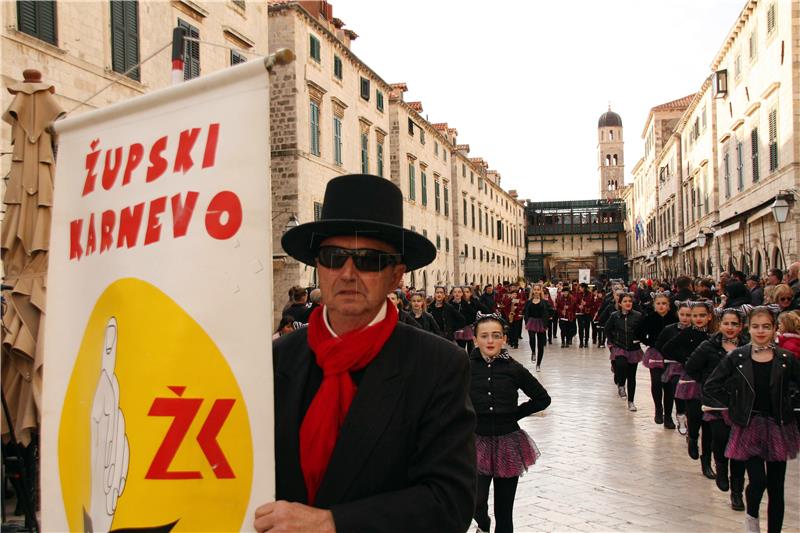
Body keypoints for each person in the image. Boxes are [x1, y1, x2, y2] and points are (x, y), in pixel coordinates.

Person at [259, 174, 476, 532]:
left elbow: (449, 502)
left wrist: (333, 523)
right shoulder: (277, 359)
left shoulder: (438, 366)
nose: (347, 273)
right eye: (333, 257)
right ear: (319, 269)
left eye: (368, 260)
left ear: (395, 277)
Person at [704, 307, 800, 533]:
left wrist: (791, 401)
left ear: (775, 328)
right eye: (756, 326)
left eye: (766, 326)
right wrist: (734, 404)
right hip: (749, 426)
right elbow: (712, 385)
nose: (761, 331)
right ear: (749, 328)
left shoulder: (786, 358)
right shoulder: (738, 357)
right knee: (758, 481)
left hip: (778, 426)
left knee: (777, 487)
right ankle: (751, 515)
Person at [469, 313, 551, 533]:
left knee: (504, 511)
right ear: (475, 339)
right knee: (476, 501)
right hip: (476, 443)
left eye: (496, 336)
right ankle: (482, 525)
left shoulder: (514, 368)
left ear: (504, 339)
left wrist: (515, 414)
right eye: (484, 336)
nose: (490, 341)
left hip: (507, 443)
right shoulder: (465, 367)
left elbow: (543, 398)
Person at [685, 308, 748, 511]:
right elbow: (691, 366)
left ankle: (737, 491)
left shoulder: (748, 346)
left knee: (739, 450)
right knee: (719, 439)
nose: (730, 328)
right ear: (720, 324)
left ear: (741, 326)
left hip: (741, 405)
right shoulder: (708, 346)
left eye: (735, 324)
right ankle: (720, 466)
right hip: (717, 404)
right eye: (727, 323)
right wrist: (706, 383)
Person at [663, 301, 715, 478]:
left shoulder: (714, 335)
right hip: (692, 380)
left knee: (708, 424)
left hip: (710, 382)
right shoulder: (687, 333)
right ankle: (692, 437)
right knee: (695, 416)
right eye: (695, 316)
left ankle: (706, 462)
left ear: (709, 316)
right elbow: (667, 348)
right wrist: (686, 359)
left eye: (702, 315)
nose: (698, 319)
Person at [655, 300, 693, 431]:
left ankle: (683, 415)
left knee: (688, 394)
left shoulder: (695, 331)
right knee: (670, 391)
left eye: (688, 315)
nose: (685, 318)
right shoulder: (669, 329)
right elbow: (660, 345)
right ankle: (668, 416)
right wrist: (669, 355)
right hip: (671, 366)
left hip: (689, 367)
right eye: (682, 314)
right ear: (678, 314)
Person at [640, 292, 677, 425]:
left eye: (664, 304)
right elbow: (640, 332)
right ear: (654, 305)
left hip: (670, 354)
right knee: (656, 382)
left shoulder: (674, 319)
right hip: (655, 353)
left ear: (669, 306)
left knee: (668, 385)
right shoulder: (650, 318)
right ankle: (658, 409)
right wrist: (649, 342)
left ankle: (668, 415)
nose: (661, 306)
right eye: (659, 304)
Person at [604, 292, 644, 411]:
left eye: (630, 301)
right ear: (620, 303)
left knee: (632, 376)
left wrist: (640, 338)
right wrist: (611, 342)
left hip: (633, 348)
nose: (628, 303)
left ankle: (631, 401)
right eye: (625, 301)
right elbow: (607, 329)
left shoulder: (638, 315)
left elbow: (642, 330)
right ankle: (621, 384)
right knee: (621, 365)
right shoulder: (614, 316)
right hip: (619, 346)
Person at [523, 284, 552, 371]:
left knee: (540, 344)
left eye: (538, 290)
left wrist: (547, 318)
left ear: (540, 291)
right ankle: (533, 352)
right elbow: (525, 312)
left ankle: (538, 364)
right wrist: (526, 321)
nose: (536, 291)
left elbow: (551, 310)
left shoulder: (544, 302)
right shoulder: (529, 302)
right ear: (533, 291)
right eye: (535, 289)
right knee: (531, 338)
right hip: (531, 322)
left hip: (541, 323)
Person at [575, 283, 593, 348]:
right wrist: (579, 306)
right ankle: (581, 342)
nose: (580, 289)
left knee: (587, 327)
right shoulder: (578, 294)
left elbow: (592, 303)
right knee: (580, 328)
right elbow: (575, 302)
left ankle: (586, 342)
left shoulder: (590, 294)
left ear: (584, 288)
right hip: (579, 313)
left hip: (587, 313)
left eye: (581, 287)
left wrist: (585, 303)